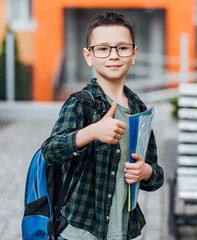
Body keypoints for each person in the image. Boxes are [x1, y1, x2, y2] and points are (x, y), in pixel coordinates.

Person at [41, 12, 164, 240]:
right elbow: (50, 150)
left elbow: (156, 173)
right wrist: (91, 132)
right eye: (103, 48)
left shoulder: (139, 109)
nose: (113, 56)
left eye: (122, 48)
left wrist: (146, 172)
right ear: (89, 56)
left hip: (122, 230)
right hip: (81, 231)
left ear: (134, 54)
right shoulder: (80, 103)